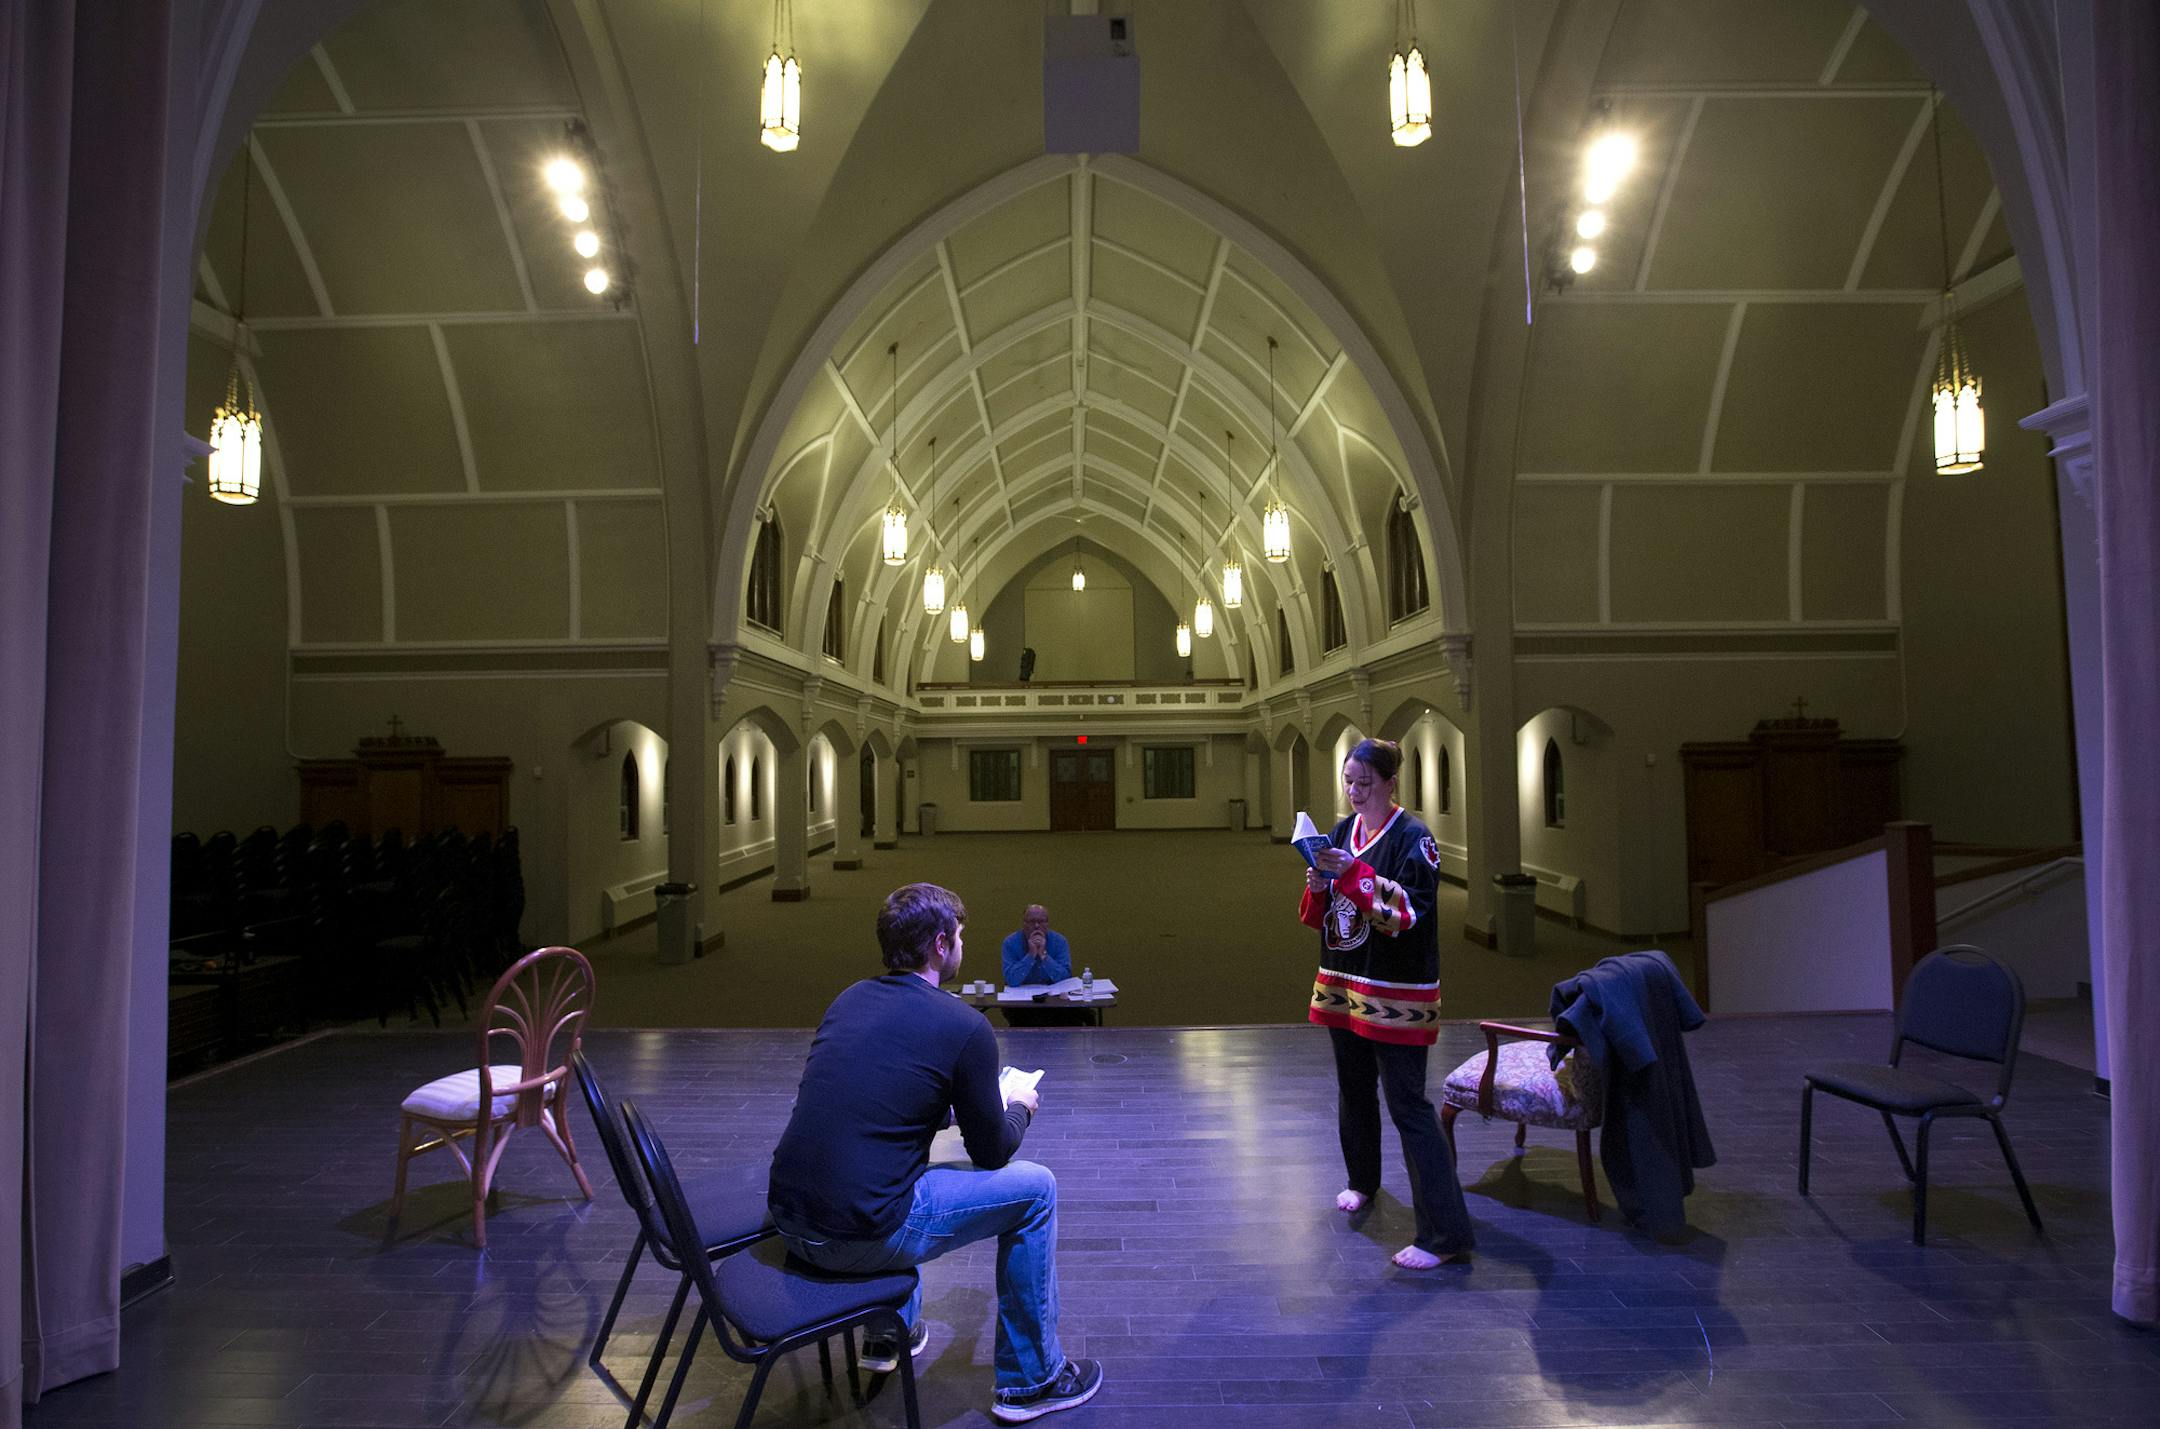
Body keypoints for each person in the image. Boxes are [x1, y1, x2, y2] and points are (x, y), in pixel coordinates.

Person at [767, 883, 1104, 1423]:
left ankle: (890, 1330)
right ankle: (1033, 1381)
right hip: (856, 1238)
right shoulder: (964, 1025)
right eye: (961, 936)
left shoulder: (849, 999)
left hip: (789, 1220)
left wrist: (946, 1106)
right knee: (1036, 1189)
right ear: (941, 944)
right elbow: (993, 1153)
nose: (963, 945)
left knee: (892, 1160)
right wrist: (1019, 1107)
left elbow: (882, 1099)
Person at [1299, 737, 1476, 1270]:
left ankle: (1444, 1234)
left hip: (1397, 992)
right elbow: (1324, 914)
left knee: (1409, 1106)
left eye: (1365, 783)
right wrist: (1319, 883)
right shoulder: (1341, 833)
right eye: (1348, 782)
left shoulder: (1414, 838)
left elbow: (1407, 915)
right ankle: (1362, 1180)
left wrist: (1351, 874)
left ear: (1390, 783)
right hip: (1345, 983)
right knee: (1354, 1090)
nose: (1354, 792)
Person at [1001, 904, 1072, 987]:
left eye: (1041, 921)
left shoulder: (1059, 941)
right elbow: (1011, 980)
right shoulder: (1010, 942)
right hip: (1020, 992)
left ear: (1047, 924)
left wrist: (1044, 955)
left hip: (1051, 992)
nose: (1036, 926)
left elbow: (1065, 978)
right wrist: (1030, 955)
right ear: (1024, 924)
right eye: (1031, 921)